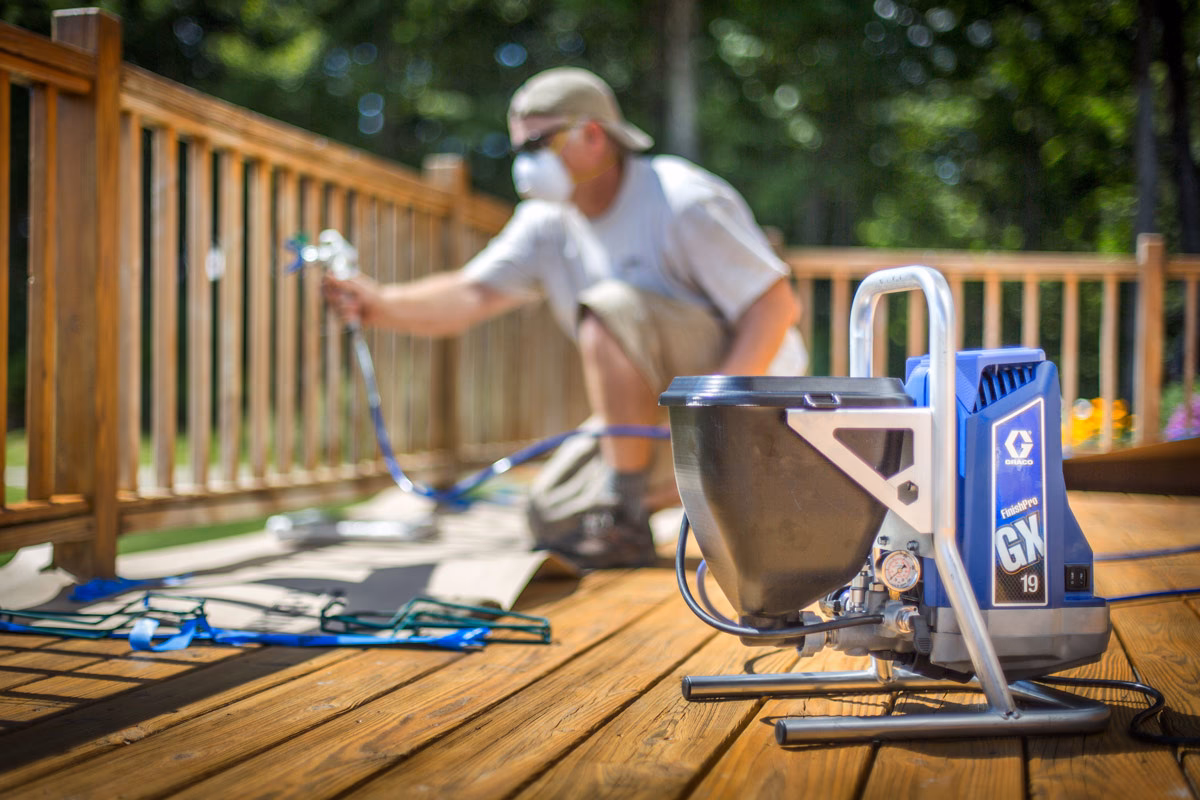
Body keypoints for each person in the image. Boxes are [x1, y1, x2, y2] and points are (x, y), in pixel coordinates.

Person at [323, 67, 803, 569]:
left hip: (752, 406)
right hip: (668, 416)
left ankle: (636, 508)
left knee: (608, 308)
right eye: (519, 149)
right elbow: (470, 294)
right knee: (553, 514)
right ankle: (687, 491)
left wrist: (719, 412)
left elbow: (775, 306)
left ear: (593, 135)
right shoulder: (545, 222)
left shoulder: (681, 198)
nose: (526, 163)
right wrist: (378, 304)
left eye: (538, 144)